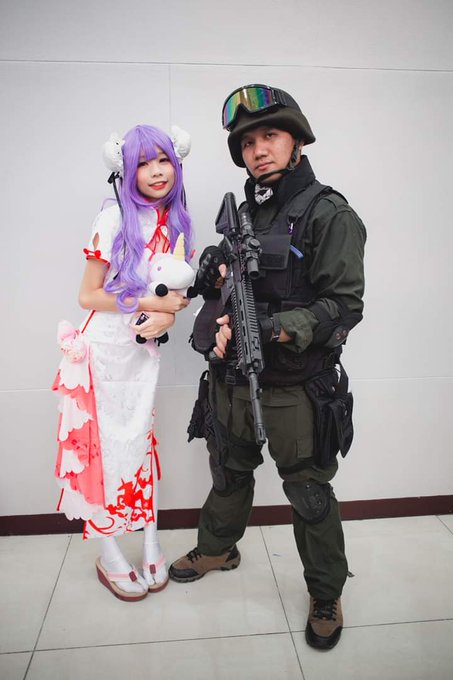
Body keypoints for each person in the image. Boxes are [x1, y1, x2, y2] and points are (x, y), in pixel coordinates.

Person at [169, 84, 366, 650]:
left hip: (294, 388)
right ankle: (218, 548)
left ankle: (325, 592)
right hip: (231, 378)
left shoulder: (329, 213)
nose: (258, 149)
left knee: (307, 492)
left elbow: (345, 306)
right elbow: (225, 289)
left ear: (297, 141)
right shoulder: (246, 215)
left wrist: (277, 326)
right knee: (228, 471)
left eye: (271, 136)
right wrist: (213, 273)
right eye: (248, 141)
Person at [53, 124, 194, 602]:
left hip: (141, 351)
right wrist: (152, 305)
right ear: (126, 170)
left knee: (137, 444)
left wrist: (167, 312)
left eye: (163, 160)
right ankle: (109, 551)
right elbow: (88, 295)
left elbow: (173, 293)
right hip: (102, 353)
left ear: (176, 164)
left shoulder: (176, 222)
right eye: (143, 163)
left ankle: (151, 540)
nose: (156, 171)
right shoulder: (113, 217)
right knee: (105, 452)